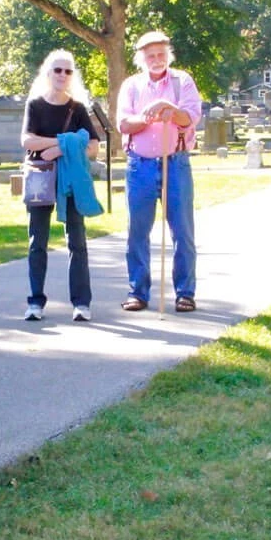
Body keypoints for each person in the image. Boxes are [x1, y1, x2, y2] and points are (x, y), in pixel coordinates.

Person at [116, 30, 200, 313]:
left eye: (161, 54)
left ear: (168, 55)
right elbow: (123, 124)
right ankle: (137, 292)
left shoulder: (182, 81)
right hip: (139, 164)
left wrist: (169, 108)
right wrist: (149, 115)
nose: (156, 60)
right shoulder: (132, 86)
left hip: (175, 162)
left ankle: (185, 292)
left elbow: (190, 117)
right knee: (137, 231)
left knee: (182, 230)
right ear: (142, 58)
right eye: (150, 55)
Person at [21, 50, 102, 322]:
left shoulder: (77, 109)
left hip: (71, 179)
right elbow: (28, 142)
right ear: (47, 73)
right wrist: (64, 142)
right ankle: (35, 302)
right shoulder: (35, 105)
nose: (62, 75)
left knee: (77, 241)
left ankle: (81, 303)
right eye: (57, 70)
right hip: (41, 178)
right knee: (37, 242)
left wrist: (58, 148)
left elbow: (92, 147)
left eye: (68, 71)